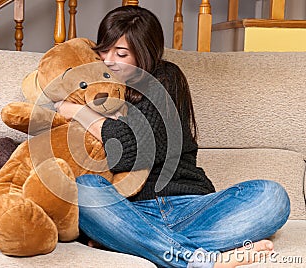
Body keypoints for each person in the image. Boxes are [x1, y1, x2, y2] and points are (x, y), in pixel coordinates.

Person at [54, 5, 290, 268]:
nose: (108, 59)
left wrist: (76, 111)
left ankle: (134, 243)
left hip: (190, 206)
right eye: (104, 50)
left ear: (144, 55)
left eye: (121, 53)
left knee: (271, 196)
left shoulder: (165, 78)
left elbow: (127, 149)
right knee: (85, 189)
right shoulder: (91, 84)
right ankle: (197, 259)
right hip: (129, 210)